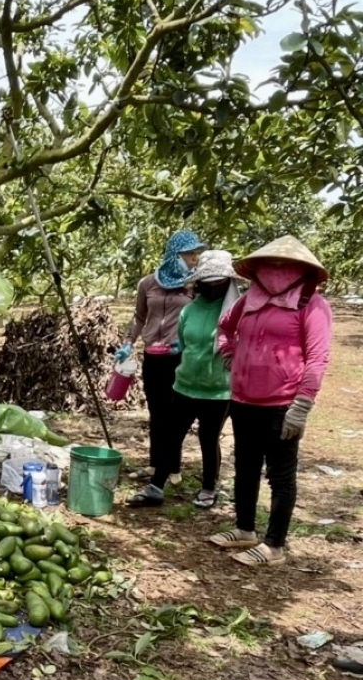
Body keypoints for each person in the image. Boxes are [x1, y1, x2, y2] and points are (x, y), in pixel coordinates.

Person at [208, 235, 332, 566]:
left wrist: (302, 405)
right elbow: (224, 328)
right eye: (271, 264)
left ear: (301, 269)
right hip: (244, 398)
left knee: (280, 474)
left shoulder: (311, 303)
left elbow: (318, 357)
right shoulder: (249, 299)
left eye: (284, 265)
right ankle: (245, 529)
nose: (276, 271)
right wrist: (230, 354)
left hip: (283, 404)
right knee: (245, 466)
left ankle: (274, 545)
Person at [127, 251, 241, 509]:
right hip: (185, 384)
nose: (213, 287)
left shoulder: (234, 312)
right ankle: (156, 487)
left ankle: (209, 487)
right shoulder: (189, 310)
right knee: (171, 436)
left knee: (208, 439)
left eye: (218, 282)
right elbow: (185, 341)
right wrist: (176, 351)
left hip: (218, 389)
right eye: (208, 282)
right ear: (199, 282)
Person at [116, 229, 206, 482]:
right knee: (156, 413)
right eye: (189, 254)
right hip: (153, 356)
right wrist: (128, 342)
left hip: (179, 357)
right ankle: (156, 465)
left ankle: (173, 468)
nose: (193, 259)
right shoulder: (148, 283)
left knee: (174, 414)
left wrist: (187, 343)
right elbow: (139, 317)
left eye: (195, 254)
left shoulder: (194, 285)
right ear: (174, 254)